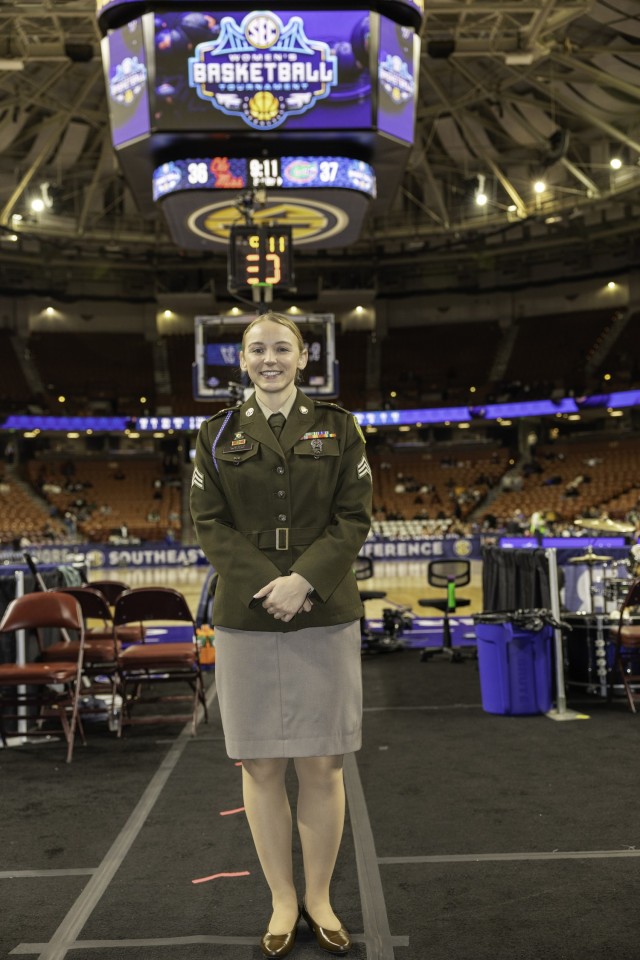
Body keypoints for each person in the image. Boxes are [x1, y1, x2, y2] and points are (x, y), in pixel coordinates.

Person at [190, 312, 372, 958]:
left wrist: (306, 581)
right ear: (242, 360)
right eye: (258, 349)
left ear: (303, 358)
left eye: (282, 348)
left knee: (322, 763)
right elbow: (209, 525)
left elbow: (355, 518)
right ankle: (281, 899)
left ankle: (318, 896)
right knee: (262, 762)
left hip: (322, 610)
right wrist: (272, 582)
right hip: (247, 613)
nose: (270, 358)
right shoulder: (213, 436)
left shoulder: (341, 429)